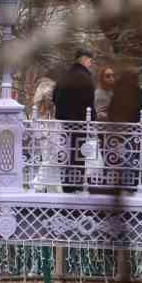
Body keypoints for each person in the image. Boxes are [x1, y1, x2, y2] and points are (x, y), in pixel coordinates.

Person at [52, 49, 97, 192]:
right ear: (83, 59)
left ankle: (67, 184)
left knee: (67, 152)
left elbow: (55, 97)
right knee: (78, 153)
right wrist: (92, 118)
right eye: (90, 60)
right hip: (80, 120)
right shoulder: (85, 77)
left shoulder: (64, 75)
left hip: (65, 121)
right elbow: (89, 101)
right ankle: (75, 184)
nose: (91, 63)